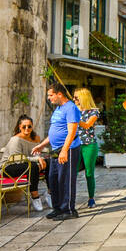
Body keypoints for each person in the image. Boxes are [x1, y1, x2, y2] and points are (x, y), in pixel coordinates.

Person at [34, 83, 81, 220]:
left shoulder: (70, 108)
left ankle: (69, 210)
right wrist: (41, 145)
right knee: (53, 179)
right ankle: (58, 208)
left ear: (59, 94)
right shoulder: (58, 109)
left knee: (66, 180)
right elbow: (55, 131)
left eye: (51, 95)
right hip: (55, 150)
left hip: (68, 149)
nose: (49, 98)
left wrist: (65, 150)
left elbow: (72, 132)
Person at [1, 116, 49, 212]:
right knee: (33, 166)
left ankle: (50, 193)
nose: (27, 129)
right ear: (19, 127)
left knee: (50, 163)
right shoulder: (16, 139)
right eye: (24, 127)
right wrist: (37, 159)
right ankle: (35, 196)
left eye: (29, 126)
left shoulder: (36, 138)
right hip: (9, 167)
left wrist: (41, 159)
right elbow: (18, 159)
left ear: (32, 126)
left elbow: (36, 154)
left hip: (26, 164)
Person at [75, 88, 102, 208]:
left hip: (89, 145)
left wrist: (74, 117)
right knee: (72, 172)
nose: (74, 100)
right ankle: (70, 197)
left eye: (76, 98)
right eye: (74, 97)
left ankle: (91, 198)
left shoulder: (94, 112)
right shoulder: (74, 110)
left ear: (83, 98)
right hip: (75, 144)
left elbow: (87, 125)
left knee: (89, 173)